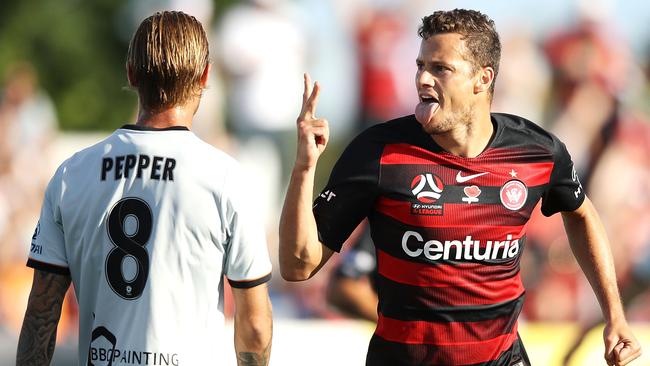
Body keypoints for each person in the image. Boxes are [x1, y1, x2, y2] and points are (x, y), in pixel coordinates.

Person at [279, 8, 641, 366]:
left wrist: (614, 315)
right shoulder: (378, 152)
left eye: (440, 69)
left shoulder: (537, 152)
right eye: (420, 66)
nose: (422, 79)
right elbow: (298, 266)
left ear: (482, 79)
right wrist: (303, 168)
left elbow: (580, 213)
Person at [16, 11, 272, 366]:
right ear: (205, 76)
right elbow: (254, 326)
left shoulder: (71, 174)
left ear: (131, 73)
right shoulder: (225, 178)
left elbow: (41, 313)